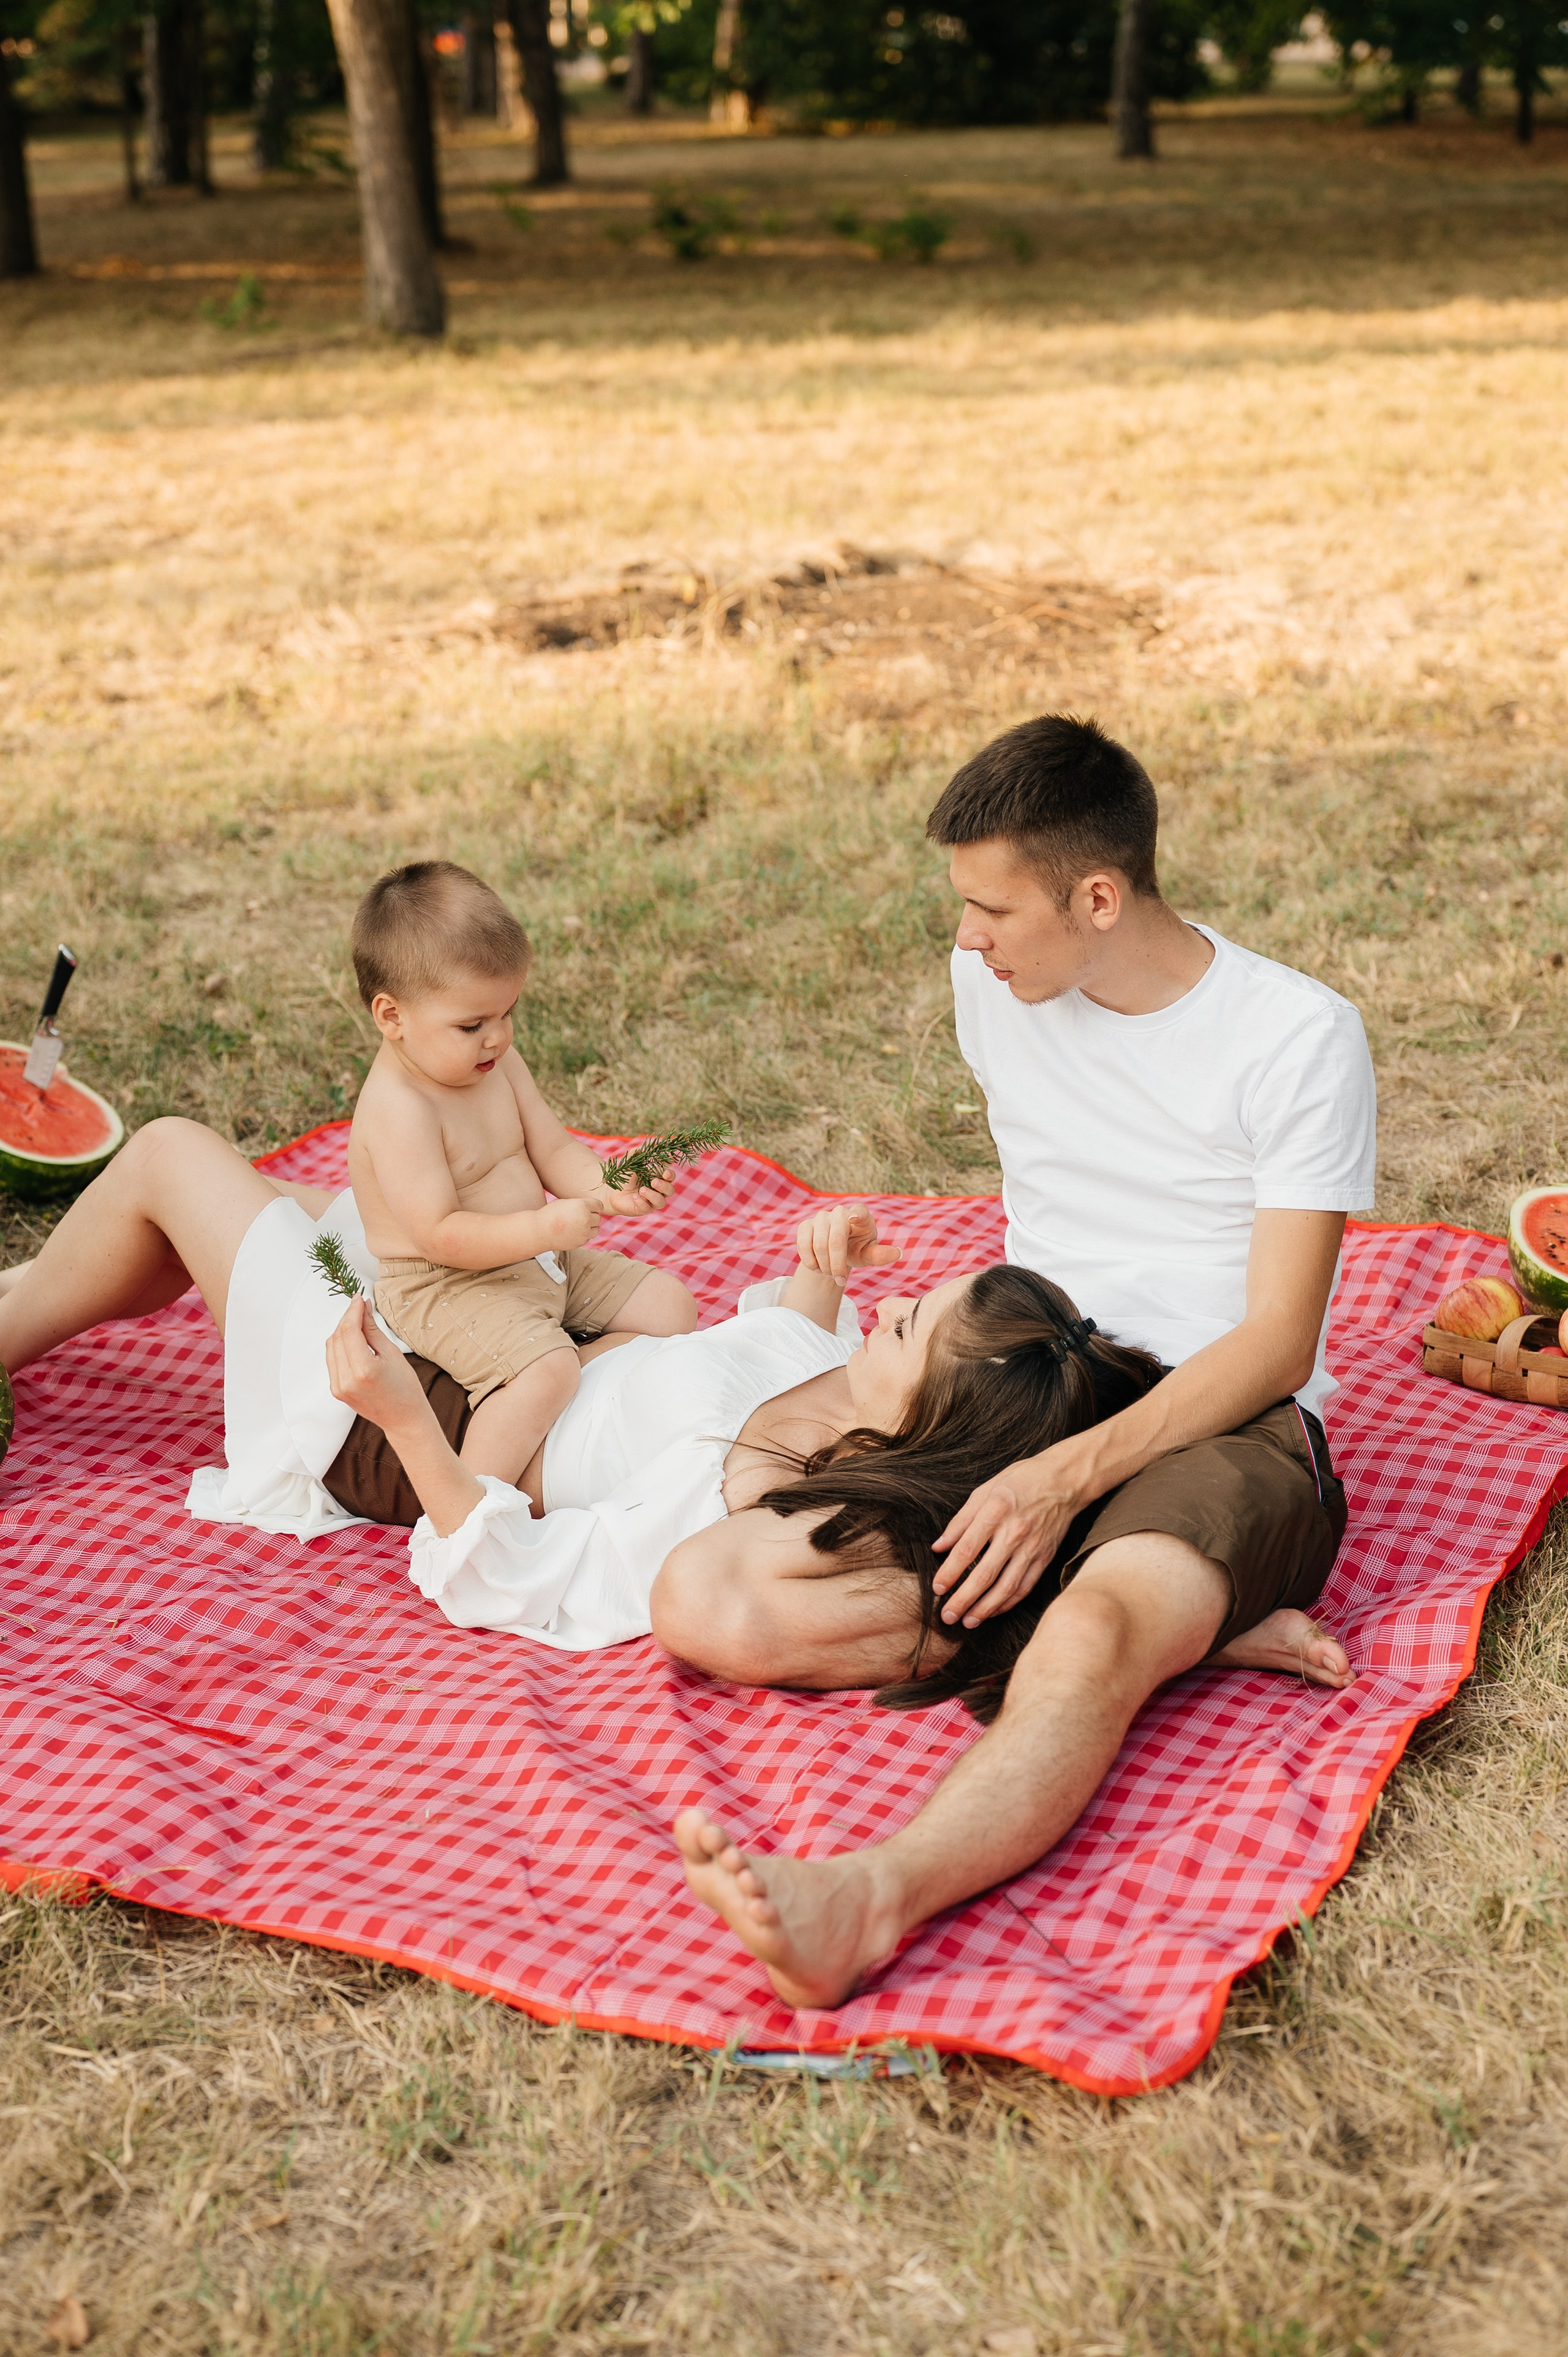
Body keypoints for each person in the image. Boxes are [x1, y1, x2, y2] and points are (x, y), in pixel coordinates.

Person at [662, 712, 1374, 2008]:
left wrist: (1058, 1484)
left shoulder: (1294, 1037)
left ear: (1096, 897)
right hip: (1016, 1370)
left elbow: (1276, 1339)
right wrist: (1003, 1435)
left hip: (1218, 1416)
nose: (964, 940)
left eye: (990, 909)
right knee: (713, 1597)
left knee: (1095, 1621)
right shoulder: (995, 982)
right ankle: (1198, 1642)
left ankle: (870, 1896)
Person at [0, 1123, 1234, 1688]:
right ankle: (26, 1305)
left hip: (393, 1417)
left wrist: (399, 1415)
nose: (899, 1300)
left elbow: (510, 1569)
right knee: (232, 1216)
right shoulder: (834, 1386)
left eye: (911, 1324)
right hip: (505, 1336)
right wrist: (831, 1261)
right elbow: (779, 1336)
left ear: (929, 1429)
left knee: (170, 1159)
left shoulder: (738, 1502)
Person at [348, 859, 698, 1485]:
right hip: (446, 1285)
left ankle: (568, 1375)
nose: (497, 1037)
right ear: (392, 1016)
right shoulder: (399, 1109)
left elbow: (555, 1150)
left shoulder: (493, 1063)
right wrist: (543, 1227)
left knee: (671, 1307)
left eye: (508, 1013)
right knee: (547, 1371)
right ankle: (469, 1512)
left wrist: (609, 1188)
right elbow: (441, 1233)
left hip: (539, 1261)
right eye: (472, 1023)